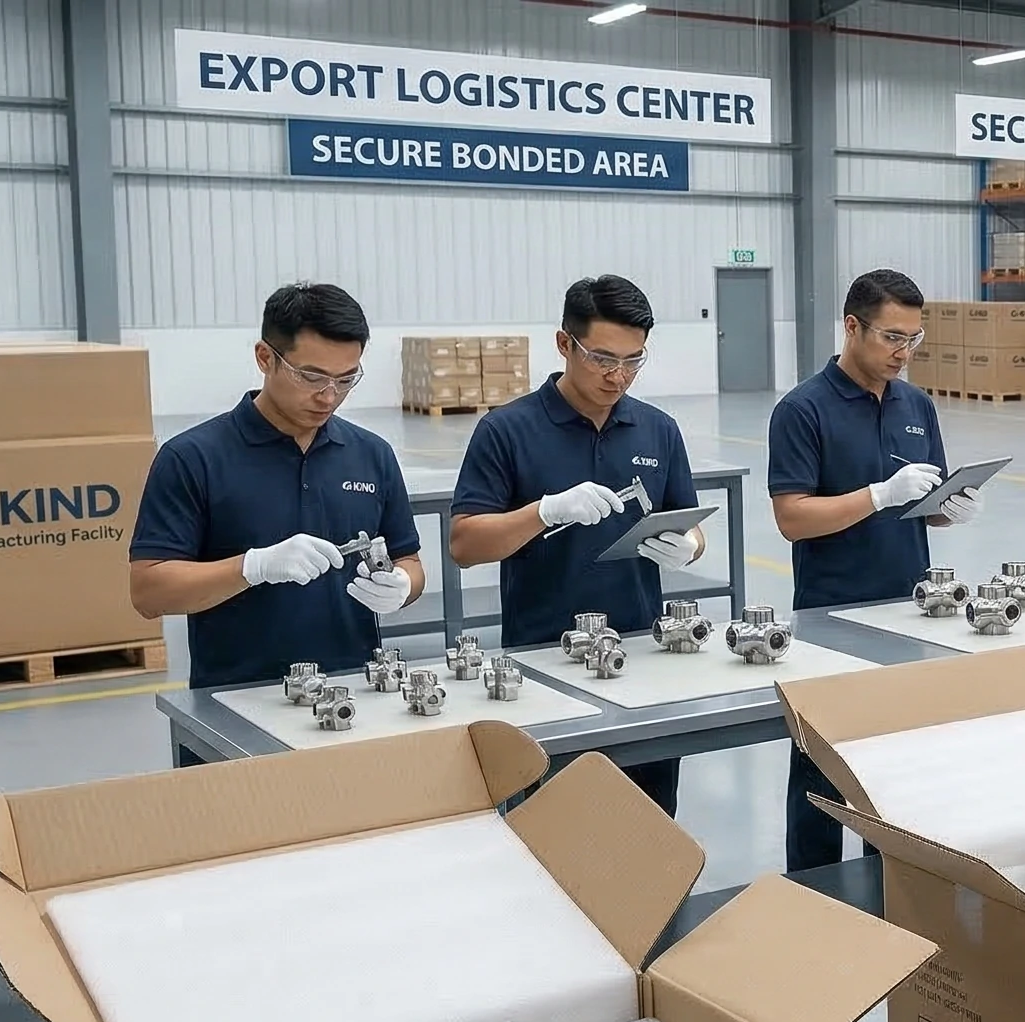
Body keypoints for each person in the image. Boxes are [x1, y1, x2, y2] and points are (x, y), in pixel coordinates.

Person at [131, 282, 423, 761]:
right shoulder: (193, 458)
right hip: (233, 710)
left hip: (354, 702)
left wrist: (401, 585)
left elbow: (409, 560)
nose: (329, 396)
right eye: (311, 376)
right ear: (265, 357)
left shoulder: (371, 455)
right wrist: (251, 568)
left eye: (347, 379)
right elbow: (148, 592)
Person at [450, 274, 702, 814]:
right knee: (553, 831)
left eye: (634, 361)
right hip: (542, 663)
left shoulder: (658, 429)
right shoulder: (507, 430)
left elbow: (687, 520)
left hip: (642, 658)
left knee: (650, 825)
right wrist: (542, 512)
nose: (619, 376)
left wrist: (690, 546)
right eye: (603, 358)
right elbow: (465, 544)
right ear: (564, 344)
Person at [767, 268, 981, 871]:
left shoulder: (917, 405)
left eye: (914, 339)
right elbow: (793, 517)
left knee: (894, 772)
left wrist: (949, 509)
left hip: (910, 614)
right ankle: (813, 893)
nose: (904, 354)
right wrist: (877, 496)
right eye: (892, 338)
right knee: (821, 774)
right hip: (831, 620)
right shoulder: (802, 410)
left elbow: (925, 503)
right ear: (852, 327)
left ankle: (891, 885)